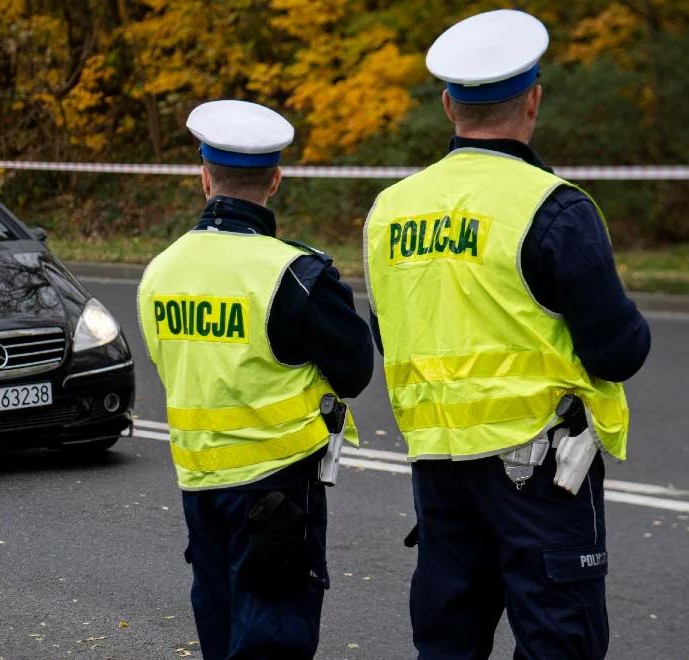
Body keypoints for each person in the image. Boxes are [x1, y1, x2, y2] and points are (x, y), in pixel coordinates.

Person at [362, 10, 651, 660]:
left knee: (448, 639)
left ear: (447, 105)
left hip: (438, 466)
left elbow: (391, 333)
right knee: (559, 641)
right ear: (534, 101)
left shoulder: (389, 211)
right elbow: (617, 350)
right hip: (541, 469)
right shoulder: (555, 206)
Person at [137, 99, 374, 659]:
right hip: (277, 488)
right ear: (275, 180)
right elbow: (356, 368)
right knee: (273, 635)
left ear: (204, 178)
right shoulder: (294, 273)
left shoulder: (160, 269)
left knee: (219, 631)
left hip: (199, 484)